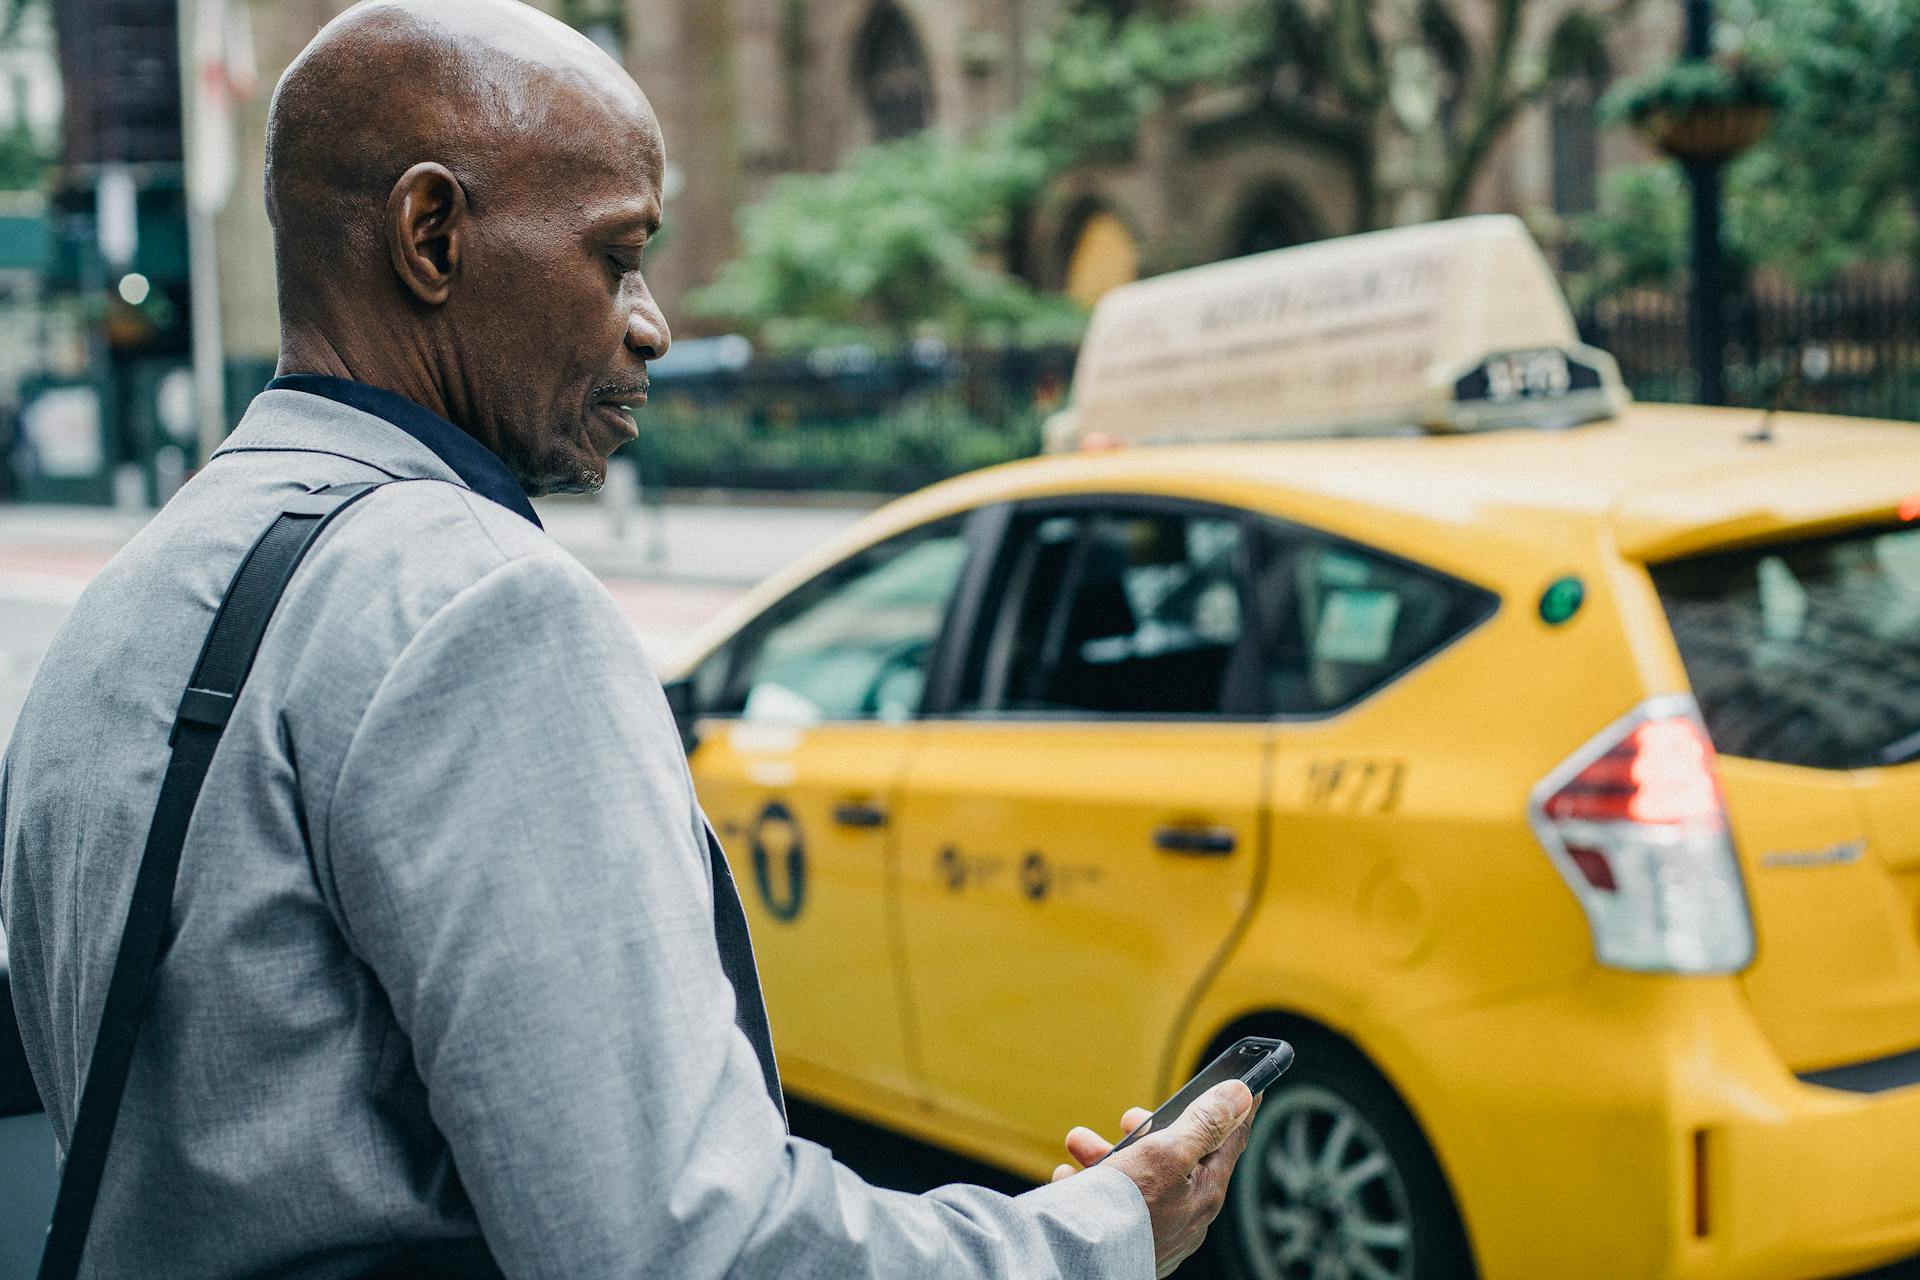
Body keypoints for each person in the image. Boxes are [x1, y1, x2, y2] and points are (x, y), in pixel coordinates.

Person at [0, 2, 1256, 1277]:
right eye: (618, 256)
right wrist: (1092, 1234)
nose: (651, 320)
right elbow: (685, 1246)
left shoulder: (127, 603)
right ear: (430, 235)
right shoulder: (479, 608)